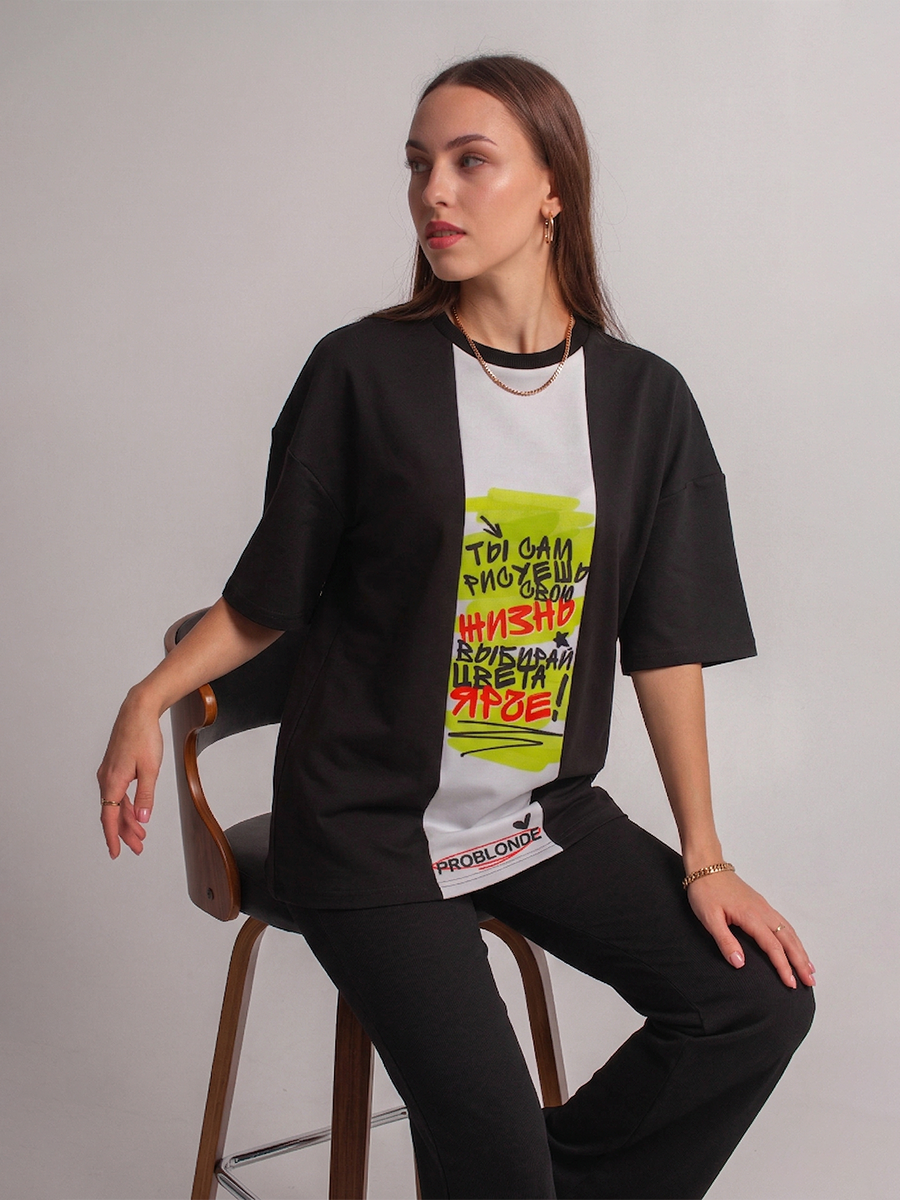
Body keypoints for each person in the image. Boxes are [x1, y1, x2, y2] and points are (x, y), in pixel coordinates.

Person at [98, 54, 814, 1200]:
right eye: (418, 165)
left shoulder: (644, 402)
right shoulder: (362, 372)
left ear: (553, 189)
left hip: (539, 812)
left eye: (471, 161)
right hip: (367, 827)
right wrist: (148, 699)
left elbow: (664, 642)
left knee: (757, 1003)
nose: (434, 190)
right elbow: (268, 596)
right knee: (498, 1163)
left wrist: (705, 856)